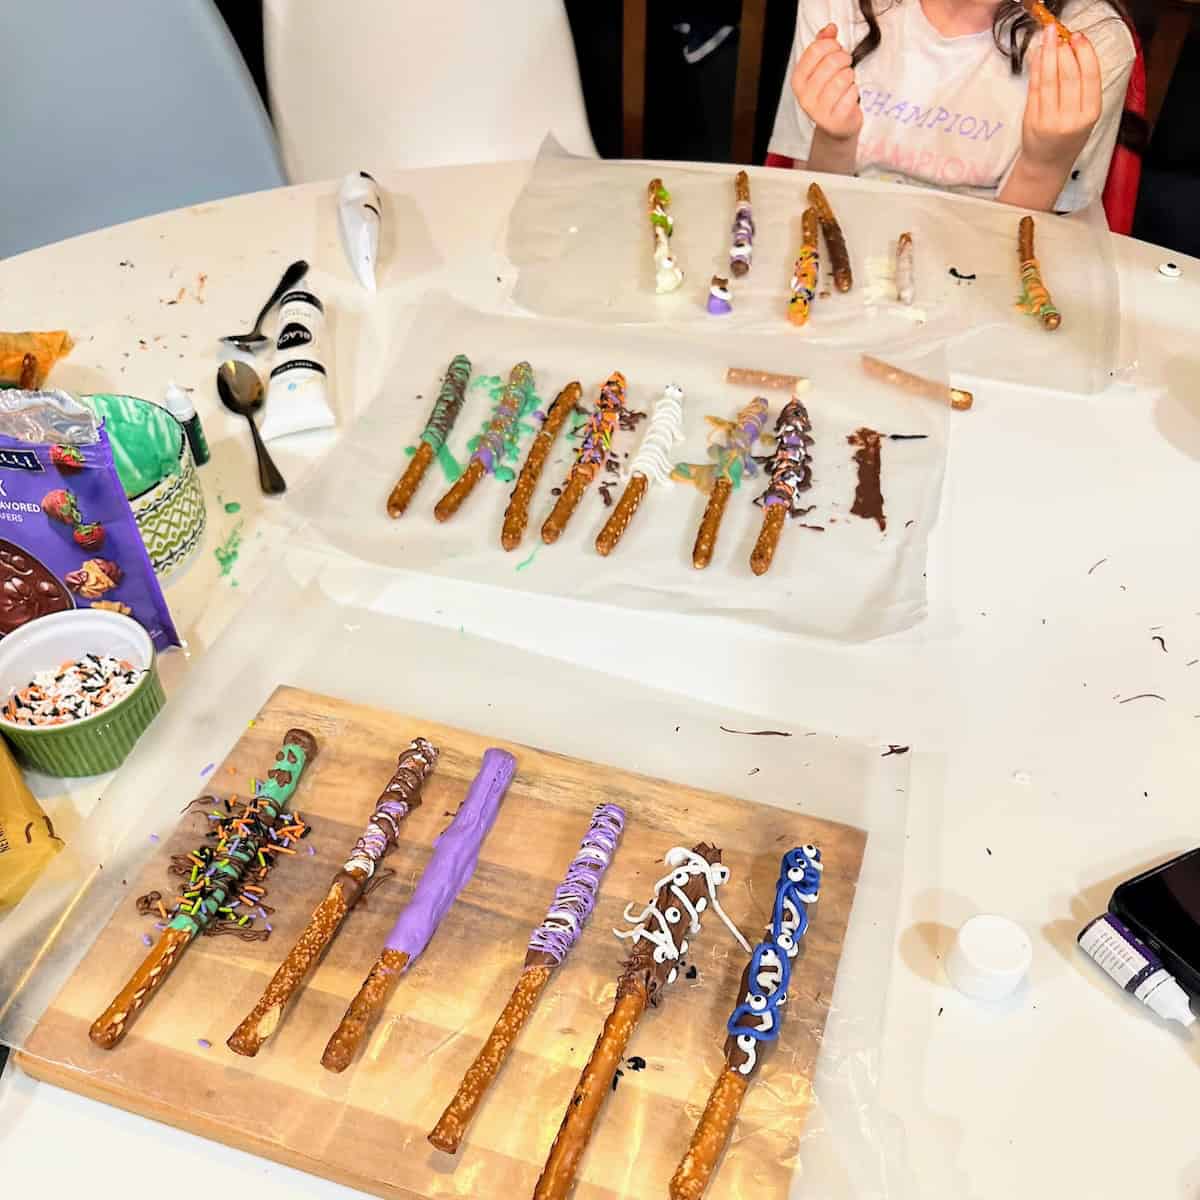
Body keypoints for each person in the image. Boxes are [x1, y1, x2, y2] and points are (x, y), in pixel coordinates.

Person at [768, 0, 1135, 212]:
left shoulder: (1093, 41)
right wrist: (834, 139)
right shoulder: (837, 5)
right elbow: (817, 204)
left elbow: (1023, 260)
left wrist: (1044, 164)